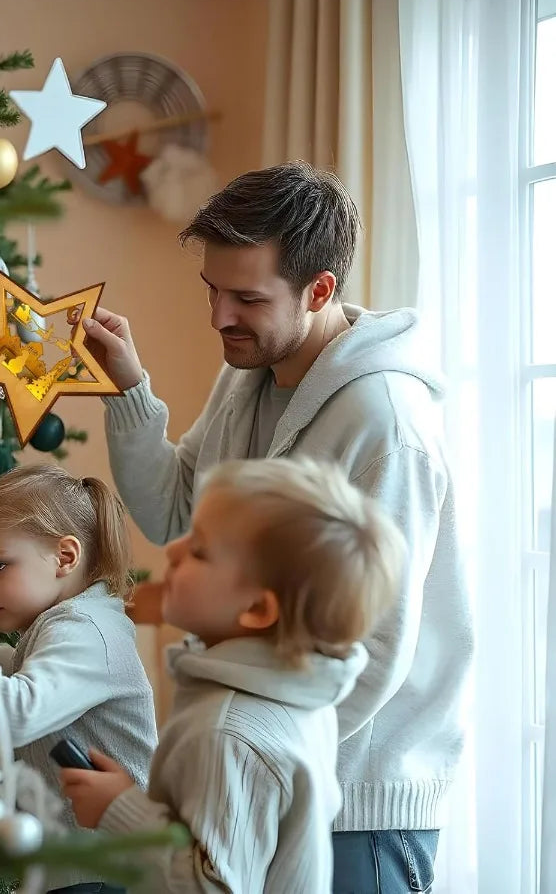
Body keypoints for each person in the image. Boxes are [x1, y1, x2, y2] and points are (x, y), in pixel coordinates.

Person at [76, 162, 473, 891]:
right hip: (263, 788)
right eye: (212, 290)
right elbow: (175, 513)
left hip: (357, 804)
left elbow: (378, 643)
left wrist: (255, 763)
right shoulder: (247, 373)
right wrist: (130, 390)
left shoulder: (385, 423)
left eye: (247, 297)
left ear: (320, 290)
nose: (219, 317)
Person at [62, 458, 405, 892]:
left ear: (258, 610)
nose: (173, 551)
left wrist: (121, 811)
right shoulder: (298, 702)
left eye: (200, 550)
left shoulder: (228, 732)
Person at [0, 464, 157, 894]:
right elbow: (30, 681)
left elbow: (20, 714)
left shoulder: (85, 628)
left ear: (65, 557)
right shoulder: (68, 624)